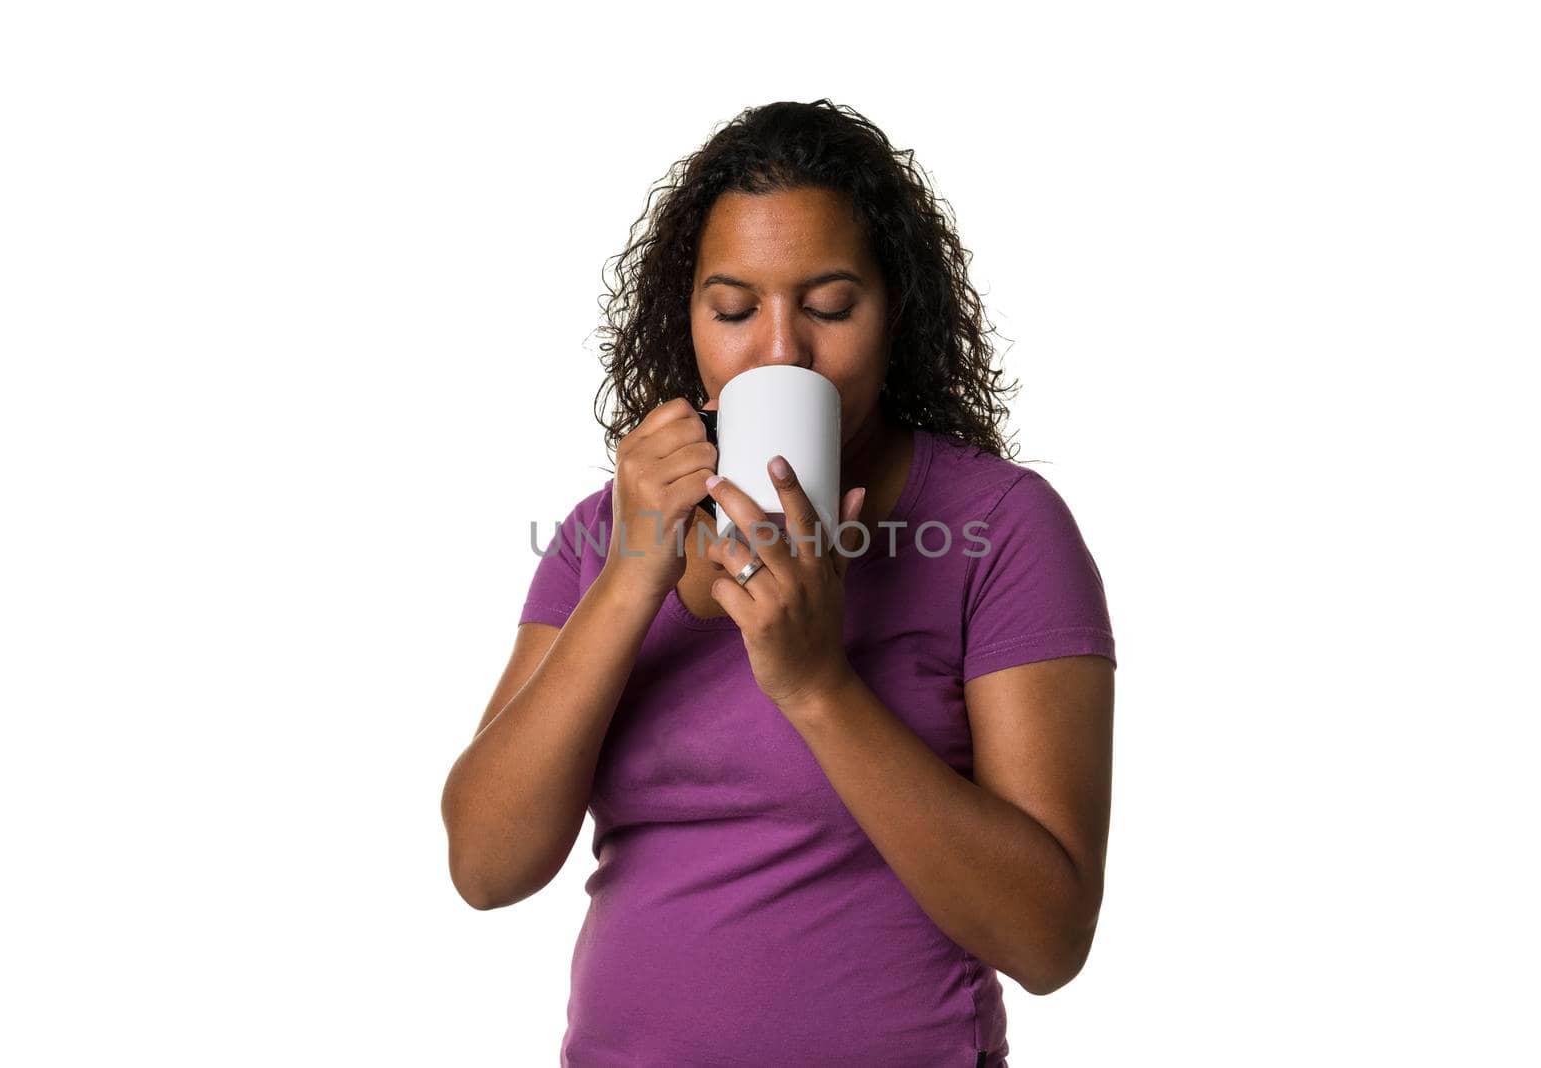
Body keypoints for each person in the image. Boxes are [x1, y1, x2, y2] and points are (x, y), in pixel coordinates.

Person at [441, 99, 1117, 1068]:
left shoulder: (999, 533)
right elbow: (483, 863)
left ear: (896, 317)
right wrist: (633, 580)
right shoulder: (605, 535)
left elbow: (1049, 939)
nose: (780, 351)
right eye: (732, 310)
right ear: (689, 325)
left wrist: (817, 688)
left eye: (830, 307)